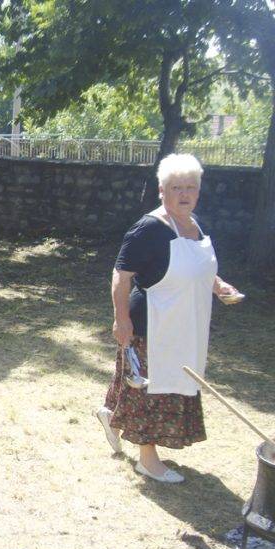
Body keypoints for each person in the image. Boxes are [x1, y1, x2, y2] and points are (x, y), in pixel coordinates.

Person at [95, 153, 241, 483]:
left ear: (199, 191)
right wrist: (121, 320)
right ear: (162, 190)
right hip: (152, 325)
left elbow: (199, 268)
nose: (184, 194)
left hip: (186, 325)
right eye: (176, 187)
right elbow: (121, 275)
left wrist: (219, 287)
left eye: (190, 187)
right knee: (153, 391)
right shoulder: (149, 228)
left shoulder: (195, 224)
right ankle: (148, 460)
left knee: (153, 385)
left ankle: (110, 415)